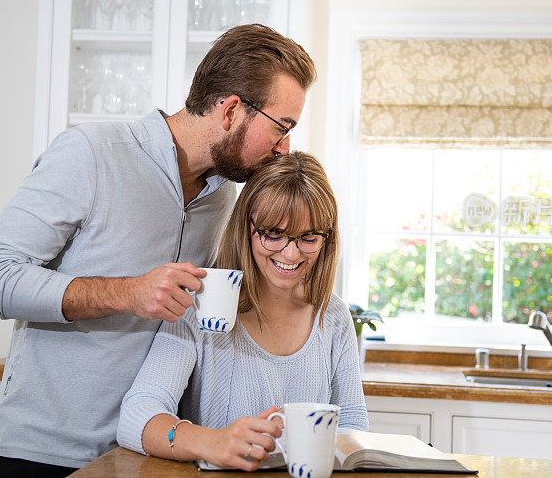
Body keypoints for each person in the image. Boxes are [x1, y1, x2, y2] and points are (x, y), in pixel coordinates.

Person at [0, 24, 316, 476]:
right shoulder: (90, 154)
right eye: (281, 128)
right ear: (230, 110)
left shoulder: (221, 196)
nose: (283, 148)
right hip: (45, 454)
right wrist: (127, 293)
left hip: (147, 456)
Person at [116, 152, 368, 471]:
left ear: (326, 239)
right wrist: (209, 441)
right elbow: (137, 415)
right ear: (246, 228)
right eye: (273, 234)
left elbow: (353, 424)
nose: (291, 253)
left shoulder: (332, 316)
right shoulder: (200, 304)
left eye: (308, 237)